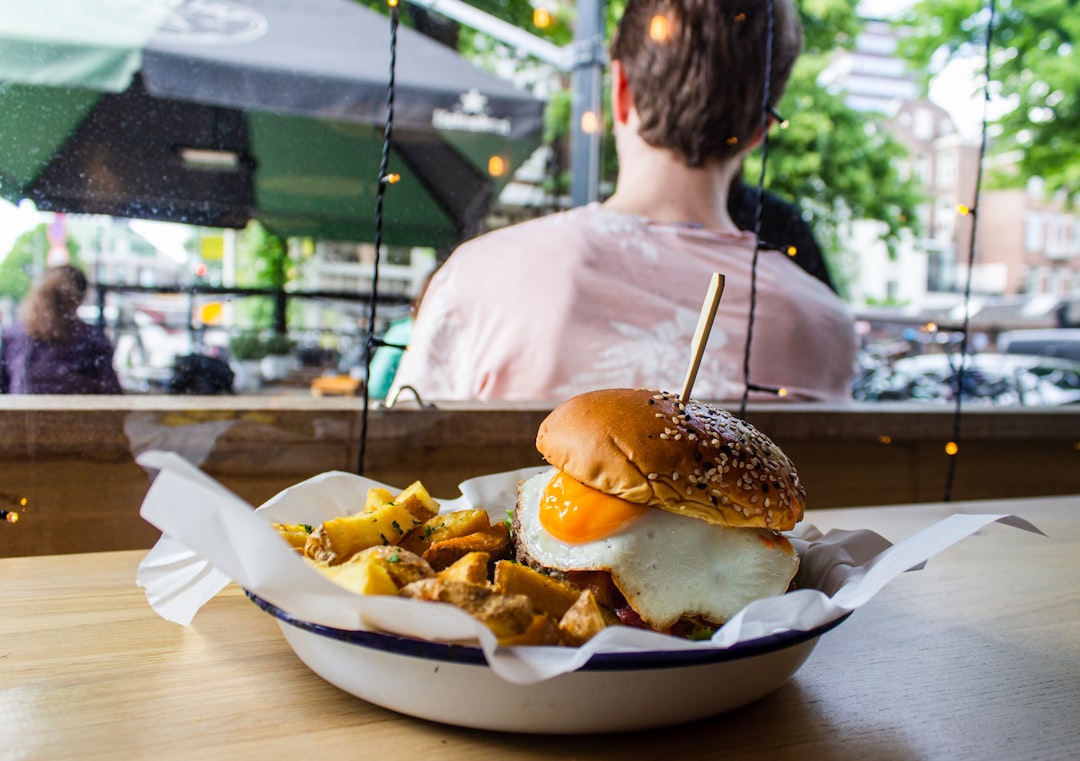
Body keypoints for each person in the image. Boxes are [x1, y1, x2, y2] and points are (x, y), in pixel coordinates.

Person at [390, 0, 857, 403]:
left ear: (621, 89)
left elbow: (403, 488)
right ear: (761, 130)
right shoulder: (826, 325)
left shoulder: (479, 277)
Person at [0, 265, 123, 394]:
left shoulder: (15, 335)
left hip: (22, 413)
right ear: (78, 299)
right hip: (77, 413)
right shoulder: (90, 340)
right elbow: (111, 393)